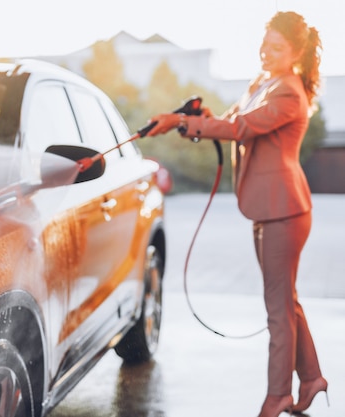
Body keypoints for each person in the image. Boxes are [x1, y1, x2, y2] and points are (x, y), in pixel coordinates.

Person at [145, 11, 328, 417]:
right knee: (286, 302)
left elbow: (243, 128)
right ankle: (312, 378)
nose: (266, 51)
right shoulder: (263, 83)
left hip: (284, 210)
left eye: (276, 47)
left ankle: (278, 394)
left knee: (277, 308)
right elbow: (230, 121)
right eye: (264, 43)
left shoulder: (288, 93)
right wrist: (196, 120)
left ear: (296, 52)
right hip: (269, 207)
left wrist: (180, 120)